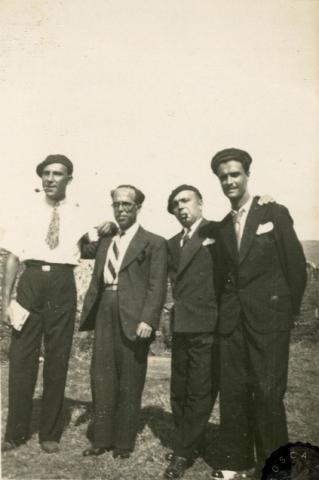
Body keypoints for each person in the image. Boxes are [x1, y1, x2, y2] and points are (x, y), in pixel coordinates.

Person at [1, 154, 112, 454]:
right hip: (31, 282)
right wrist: (6, 300)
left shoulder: (79, 211)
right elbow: (11, 257)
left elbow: (95, 241)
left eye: (58, 174)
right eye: (46, 173)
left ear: (69, 179)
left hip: (63, 284)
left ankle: (49, 433)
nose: (50, 179)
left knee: (57, 359)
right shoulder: (25, 210)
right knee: (22, 359)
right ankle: (15, 432)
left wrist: (107, 225)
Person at [209, 148, 307, 479]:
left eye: (235, 174)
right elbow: (222, 276)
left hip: (270, 319)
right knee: (234, 391)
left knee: (267, 394)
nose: (229, 181)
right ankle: (236, 463)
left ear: (247, 175)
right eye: (223, 177)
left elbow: (295, 266)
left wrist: (287, 313)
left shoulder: (274, 212)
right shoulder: (223, 227)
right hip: (233, 322)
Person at [79, 184, 167, 459]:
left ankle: (123, 443)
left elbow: (157, 285)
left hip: (135, 316)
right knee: (102, 374)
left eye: (127, 204)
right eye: (116, 204)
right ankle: (101, 439)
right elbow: (82, 248)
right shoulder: (106, 240)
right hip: (105, 307)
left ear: (138, 208)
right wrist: (96, 229)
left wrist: (148, 319)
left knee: (130, 376)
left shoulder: (154, 242)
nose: (121, 209)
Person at [163, 185, 221, 479]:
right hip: (181, 325)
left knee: (200, 390)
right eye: (175, 204)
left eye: (185, 201)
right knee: (179, 389)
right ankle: (189, 441)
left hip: (208, 324)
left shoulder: (218, 231)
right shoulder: (173, 243)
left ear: (201, 202)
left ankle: (183, 451)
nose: (181, 207)